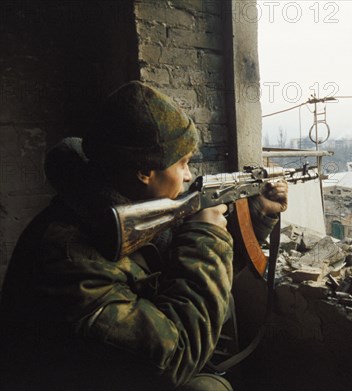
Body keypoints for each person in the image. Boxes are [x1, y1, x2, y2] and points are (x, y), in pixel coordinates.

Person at [0, 81, 288, 390]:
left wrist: (257, 216)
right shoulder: (68, 259)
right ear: (144, 172)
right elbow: (175, 357)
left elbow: (187, 276)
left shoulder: (122, 209)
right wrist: (206, 233)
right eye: (183, 163)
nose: (189, 175)